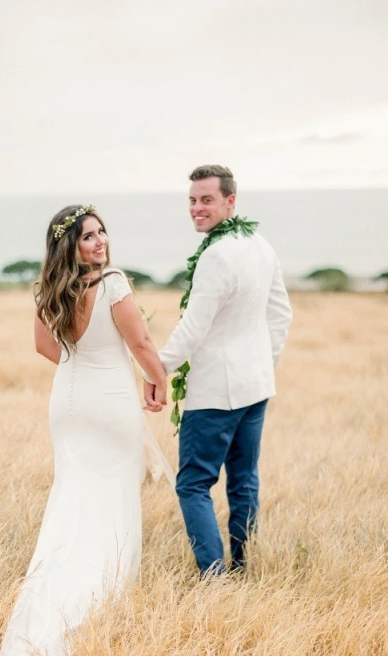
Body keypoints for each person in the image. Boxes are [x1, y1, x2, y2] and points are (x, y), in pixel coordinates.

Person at [0, 204, 167, 656]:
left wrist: (81, 362)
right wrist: (155, 383)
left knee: (72, 506)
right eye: (89, 235)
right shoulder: (113, 285)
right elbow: (143, 341)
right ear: (72, 244)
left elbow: (44, 348)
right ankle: (91, 610)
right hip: (108, 405)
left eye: (103, 232)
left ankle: (51, 603)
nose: (100, 241)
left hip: (68, 402)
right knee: (110, 511)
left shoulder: (50, 286)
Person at [144, 165, 292, 576]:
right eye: (192, 200)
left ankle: (214, 578)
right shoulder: (260, 244)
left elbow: (193, 326)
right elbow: (281, 314)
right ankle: (244, 566)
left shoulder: (216, 255)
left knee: (193, 484)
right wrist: (264, 362)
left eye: (206, 199)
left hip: (215, 392)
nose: (196, 208)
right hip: (257, 386)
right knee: (243, 479)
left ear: (231, 201)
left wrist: (157, 371)